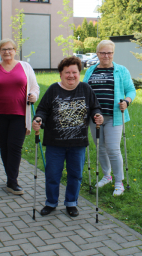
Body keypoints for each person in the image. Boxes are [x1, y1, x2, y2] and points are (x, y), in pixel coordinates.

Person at [32, 56, 103, 217]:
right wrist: (38, 119)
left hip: (77, 143)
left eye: (74, 72)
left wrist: (98, 115)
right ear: (61, 74)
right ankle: (51, 202)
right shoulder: (53, 90)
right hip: (54, 143)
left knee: (75, 174)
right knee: (52, 175)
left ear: (79, 73)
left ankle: (71, 203)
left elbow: (95, 108)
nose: (71, 75)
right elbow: (42, 110)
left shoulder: (85, 89)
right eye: (67, 72)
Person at [0, 39, 39, 195]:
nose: (7, 52)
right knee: (4, 147)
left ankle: (12, 181)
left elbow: (34, 88)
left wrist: (33, 95)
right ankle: (10, 178)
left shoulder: (25, 67)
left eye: (10, 49)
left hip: (19, 114)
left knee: (15, 148)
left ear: (15, 50)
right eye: (3, 49)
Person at [83, 40, 136, 196]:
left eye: (109, 53)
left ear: (113, 53)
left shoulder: (121, 70)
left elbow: (131, 91)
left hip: (114, 116)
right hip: (95, 117)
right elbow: (84, 89)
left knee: (113, 149)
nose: (106, 56)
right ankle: (107, 176)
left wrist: (127, 102)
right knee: (100, 148)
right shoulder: (91, 70)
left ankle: (119, 182)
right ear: (97, 53)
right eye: (103, 53)